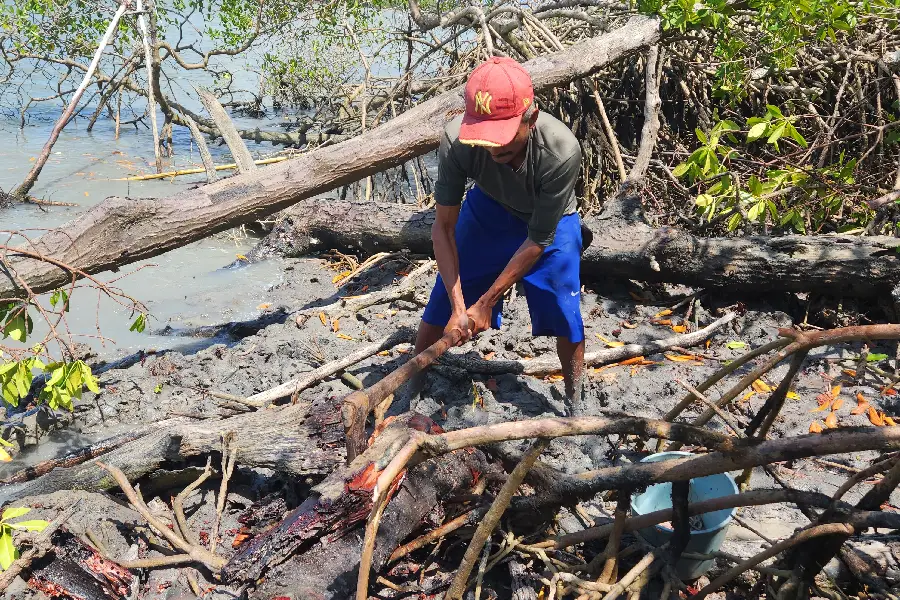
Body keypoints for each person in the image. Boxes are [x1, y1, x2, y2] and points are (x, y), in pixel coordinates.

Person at [413, 56, 588, 414]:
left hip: (549, 220)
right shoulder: (455, 140)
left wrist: (487, 301)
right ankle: (412, 382)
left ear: (531, 118)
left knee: (563, 307)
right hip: (489, 209)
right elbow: (444, 228)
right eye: (485, 141)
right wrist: (462, 306)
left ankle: (576, 399)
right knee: (441, 303)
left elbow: (538, 239)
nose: (494, 152)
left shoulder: (561, 152)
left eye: (504, 142)